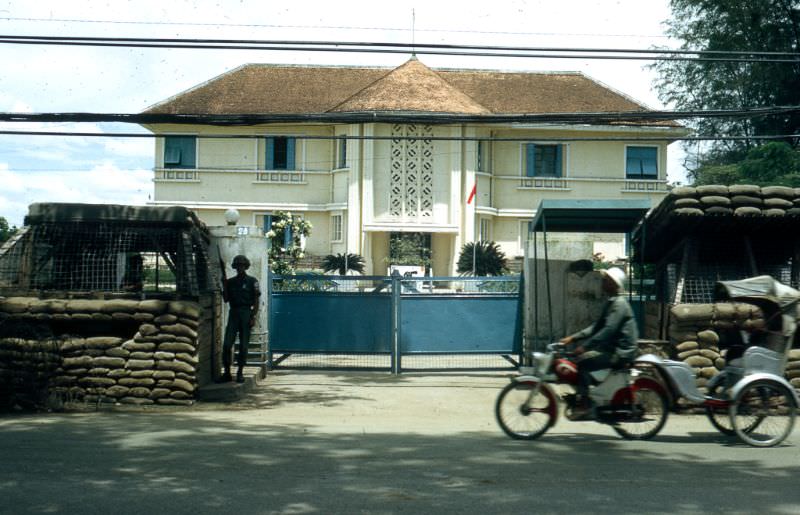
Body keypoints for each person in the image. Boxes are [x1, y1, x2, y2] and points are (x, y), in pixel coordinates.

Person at [559, 267, 638, 419]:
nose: (602, 282)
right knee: (579, 361)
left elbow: (608, 330)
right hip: (613, 350)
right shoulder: (612, 302)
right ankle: (589, 395)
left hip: (620, 352)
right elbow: (596, 327)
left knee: (582, 363)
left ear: (614, 284)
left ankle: (584, 404)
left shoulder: (620, 304)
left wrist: (584, 347)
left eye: (606, 280)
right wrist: (573, 338)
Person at [221, 254, 261, 383]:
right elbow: (226, 299)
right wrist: (224, 285)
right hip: (234, 313)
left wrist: (253, 316)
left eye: (242, 265)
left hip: (246, 313)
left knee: (243, 346)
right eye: (238, 266)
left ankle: (240, 372)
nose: (240, 268)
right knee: (227, 344)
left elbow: (256, 300)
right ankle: (227, 372)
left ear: (246, 266)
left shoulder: (252, 281)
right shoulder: (231, 282)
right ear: (235, 267)